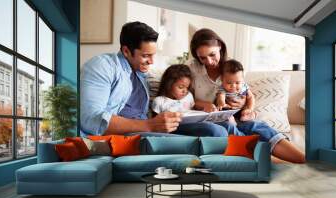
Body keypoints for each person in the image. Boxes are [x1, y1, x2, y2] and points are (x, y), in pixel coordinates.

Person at [81, 21, 240, 138]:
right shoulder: (102, 66)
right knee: (215, 133)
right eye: (146, 56)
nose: (151, 61)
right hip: (128, 134)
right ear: (126, 51)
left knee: (219, 128)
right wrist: (150, 125)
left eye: (153, 55)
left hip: (149, 127)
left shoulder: (140, 73)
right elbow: (92, 119)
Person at [188, 28, 305, 163]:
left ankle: (303, 160)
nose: (209, 61)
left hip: (233, 115)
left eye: (212, 54)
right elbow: (186, 100)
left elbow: (244, 94)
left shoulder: (232, 68)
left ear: (219, 46)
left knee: (257, 126)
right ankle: (262, 157)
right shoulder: (192, 68)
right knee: (229, 126)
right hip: (208, 119)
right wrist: (206, 104)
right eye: (203, 57)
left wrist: (245, 106)